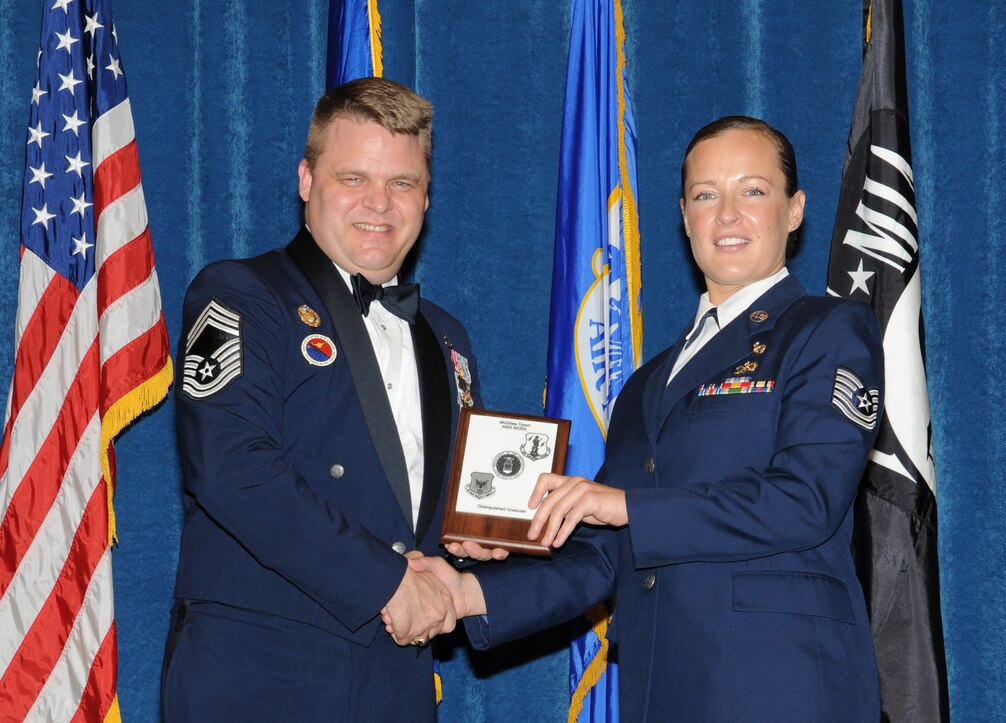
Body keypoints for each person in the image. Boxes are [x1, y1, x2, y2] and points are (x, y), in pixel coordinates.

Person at [409, 116, 883, 721]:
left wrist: (623, 505)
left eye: (753, 191)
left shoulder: (828, 330)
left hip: (780, 685)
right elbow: (606, 556)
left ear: (795, 211)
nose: (728, 214)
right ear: (685, 217)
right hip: (661, 687)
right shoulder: (646, 385)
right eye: (706, 195)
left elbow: (805, 500)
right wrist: (467, 592)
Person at [161, 77, 482, 722]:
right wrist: (387, 583)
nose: (379, 205)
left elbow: (442, 510)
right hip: (262, 677)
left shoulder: (448, 337)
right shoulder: (240, 295)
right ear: (306, 181)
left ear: (426, 197)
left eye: (402, 183)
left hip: (397, 681)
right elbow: (232, 470)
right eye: (353, 179)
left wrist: (482, 539)